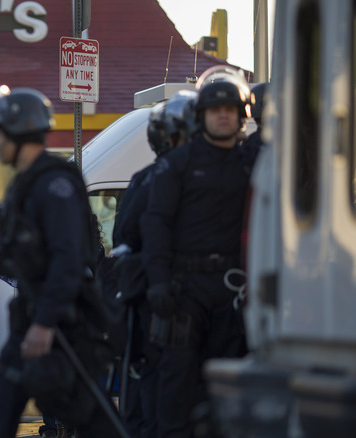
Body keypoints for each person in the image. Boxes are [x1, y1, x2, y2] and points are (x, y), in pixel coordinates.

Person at [0, 87, 123, 438]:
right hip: (36, 319)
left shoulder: (54, 184)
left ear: (20, 133)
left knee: (88, 415)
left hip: (62, 325)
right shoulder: (27, 184)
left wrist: (45, 325)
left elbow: (68, 262)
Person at [140, 66, 253, 438]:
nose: (222, 115)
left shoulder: (255, 163)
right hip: (184, 291)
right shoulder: (177, 164)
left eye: (230, 109)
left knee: (231, 386)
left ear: (242, 115)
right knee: (177, 386)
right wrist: (159, 282)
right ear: (201, 115)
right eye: (214, 109)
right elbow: (155, 224)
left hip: (236, 292)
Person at [110, 91, 199, 438]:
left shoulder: (145, 178)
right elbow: (127, 240)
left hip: (161, 298)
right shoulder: (158, 178)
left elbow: (122, 237)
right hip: (159, 301)